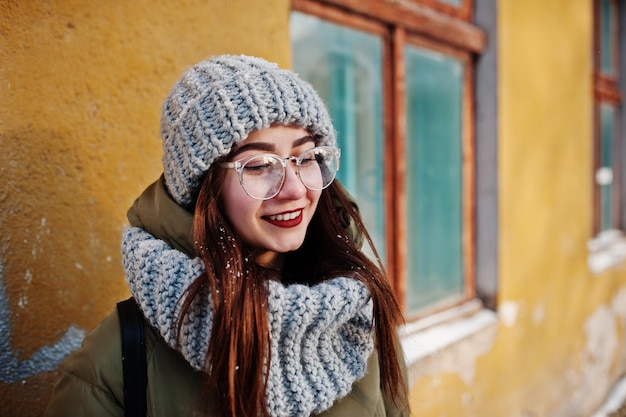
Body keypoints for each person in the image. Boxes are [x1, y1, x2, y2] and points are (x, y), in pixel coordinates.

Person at [45, 54, 409, 417]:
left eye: (307, 157)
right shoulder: (115, 362)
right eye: (259, 166)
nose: (294, 190)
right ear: (204, 187)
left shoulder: (358, 317)